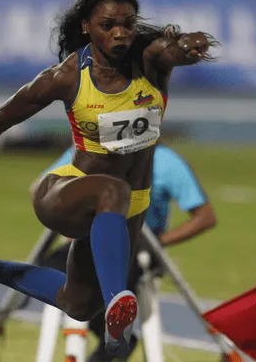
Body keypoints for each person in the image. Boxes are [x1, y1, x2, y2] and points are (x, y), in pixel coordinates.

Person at [0, 0, 218, 356]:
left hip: (129, 206)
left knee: (77, 303)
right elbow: (0, 119)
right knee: (114, 189)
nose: (120, 34)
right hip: (67, 191)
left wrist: (192, 44)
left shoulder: (151, 60)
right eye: (108, 26)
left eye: (127, 23)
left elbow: (176, 49)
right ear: (86, 28)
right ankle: (117, 304)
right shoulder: (66, 77)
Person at [38, 143, 217, 361]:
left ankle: (113, 342)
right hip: (87, 238)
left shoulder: (165, 161)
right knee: (52, 266)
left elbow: (205, 216)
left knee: (107, 282)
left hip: (137, 244)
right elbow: (43, 190)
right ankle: (114, 340)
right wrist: (71, 220)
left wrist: (158, 242)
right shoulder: (86, 150)